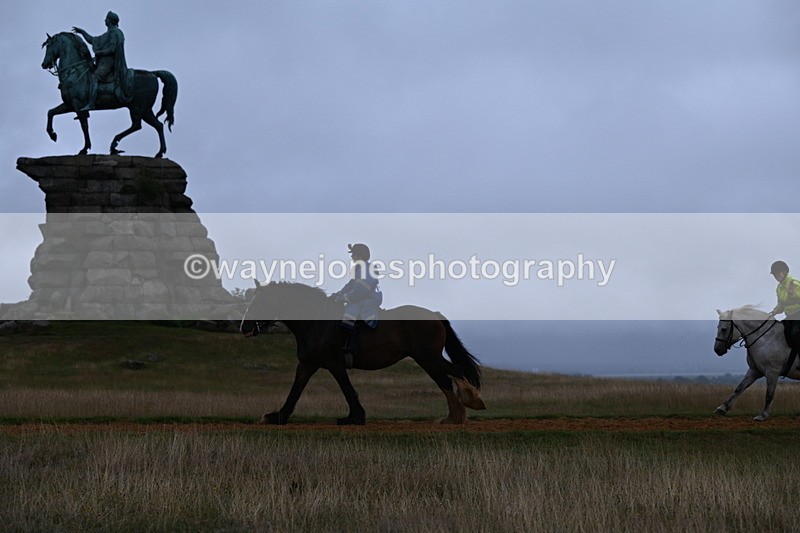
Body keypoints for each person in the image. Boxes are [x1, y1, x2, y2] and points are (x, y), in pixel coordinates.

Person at [331, 243, 383, 367]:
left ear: (359, 255)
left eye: (354, 254)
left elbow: (361, 290)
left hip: (366, 300)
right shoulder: (359, 268)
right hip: (360, 299)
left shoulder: (367, 268)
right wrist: (337, 295)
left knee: (349, 316)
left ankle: (350, 348)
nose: (352, 257)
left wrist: (344, 298)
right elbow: (350, 286)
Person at [72, 11, 134, 111]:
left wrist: (99, 53)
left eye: (106, 18)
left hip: (109, 64)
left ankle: (91, 104)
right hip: (102, 63)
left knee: (94, 77)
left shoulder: (115, 33)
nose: (105, 20)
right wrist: (82, 32)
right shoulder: (108, 34)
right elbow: (93, 40)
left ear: (110, 21)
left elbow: (112, 49)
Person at [768, 260, 800, 357]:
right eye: (774, 275)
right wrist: (774, 312)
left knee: (795, 333)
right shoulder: (779, 288)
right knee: (780, 331)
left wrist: (791, 294)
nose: (776, 276)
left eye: (778, 273)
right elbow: (781, 305)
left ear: (785, 272)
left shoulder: (794, 283)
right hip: (790, 316)